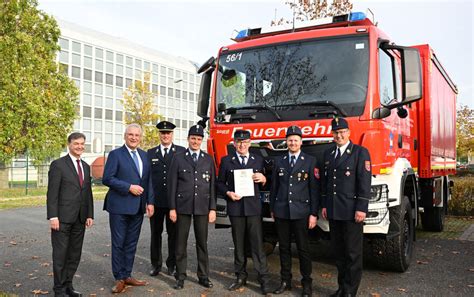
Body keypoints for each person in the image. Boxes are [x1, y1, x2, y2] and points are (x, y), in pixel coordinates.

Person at [321, 117, 372, 297]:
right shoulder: (328, 154)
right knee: (339, 253)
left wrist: (362, 207)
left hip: (351, 211)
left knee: (352, 254)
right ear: (332, 134)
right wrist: (325, 205)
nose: (339, 135)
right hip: (334, 211)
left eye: (342, 132)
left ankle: (350, 291)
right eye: (336, 132)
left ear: (349, 133)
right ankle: (341, 288)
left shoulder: (360, 152)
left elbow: (364, 183)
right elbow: (327, 183)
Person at [216, 130, 271, 295]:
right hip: (236, 208)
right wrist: (228, 193)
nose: (242, 145)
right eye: (239, 142)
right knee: (238, 245)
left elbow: (267, 182)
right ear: (234, 143)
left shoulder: (258, 160)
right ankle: (240, 276)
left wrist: (264, 179)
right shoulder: (226, 161)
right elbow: (219, 183)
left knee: (257, 245)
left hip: (253, 209)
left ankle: (263, 278)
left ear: (249, 143)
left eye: (245, 142)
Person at [102, 123, 155, 294]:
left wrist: (150, 202)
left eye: (137, 135)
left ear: (140, 137)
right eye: (130, 134)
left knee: (131, 243)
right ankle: (119, 278)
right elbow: (107, 178)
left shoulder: (144, 156)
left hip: (138, 208)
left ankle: (127, 274)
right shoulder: (115, 154)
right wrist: (128, 187)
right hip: (119, 206)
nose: (133, 138)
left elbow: (148, 182)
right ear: (125, 136)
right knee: (118, 243)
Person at [270, 125, 319, 297]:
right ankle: (285, 281)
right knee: (283, 248)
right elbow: (274, 187)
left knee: (303, 249)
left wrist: (314, 213)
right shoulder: (279, 161)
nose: (292, 143)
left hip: (301, 212)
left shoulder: (310, 161)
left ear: (301, 142)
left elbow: (314, 189)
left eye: (295, 140)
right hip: (282, 211)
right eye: (290, 140)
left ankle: (307, 284)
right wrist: (272, 209)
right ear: (286, 142)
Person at [168, 124, 216, 290]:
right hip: (183, 207)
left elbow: (212, 186)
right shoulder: (178, 158)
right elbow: (172, 185)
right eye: (193, 138)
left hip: (202, 207)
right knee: (180, 243)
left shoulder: (208, 159)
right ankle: (180, 276)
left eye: (198, 139)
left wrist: (213, 209)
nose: (196, 141)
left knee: (202, 242)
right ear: (188, 139)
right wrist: (172, 208)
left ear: (202, 140)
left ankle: (203, 275)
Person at [47, 132, 94, 297]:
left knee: (74, 255)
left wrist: (89, 214)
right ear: (69, 144)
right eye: (76, 144)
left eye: (82, 144)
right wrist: (53, 216)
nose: (80, 146)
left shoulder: (86, 166)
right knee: (60, 256)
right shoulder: (58, 165)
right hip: (62, 219)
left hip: (80, 218)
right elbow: (52, 193)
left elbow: (87, 192)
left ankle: (68, 286)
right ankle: (59, 290)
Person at [147, 120, 185, 277]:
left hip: (173, 203)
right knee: (155, 234)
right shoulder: (150, 153)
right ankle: (156, 264)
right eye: (163, 133)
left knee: (173, 235)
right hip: (156, 202)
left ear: (172, 134)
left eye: (168, 133)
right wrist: (149, 201)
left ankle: (172, 264)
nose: (165, 135)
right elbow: (147, 178)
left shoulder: (181, 152)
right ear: (159, 134)